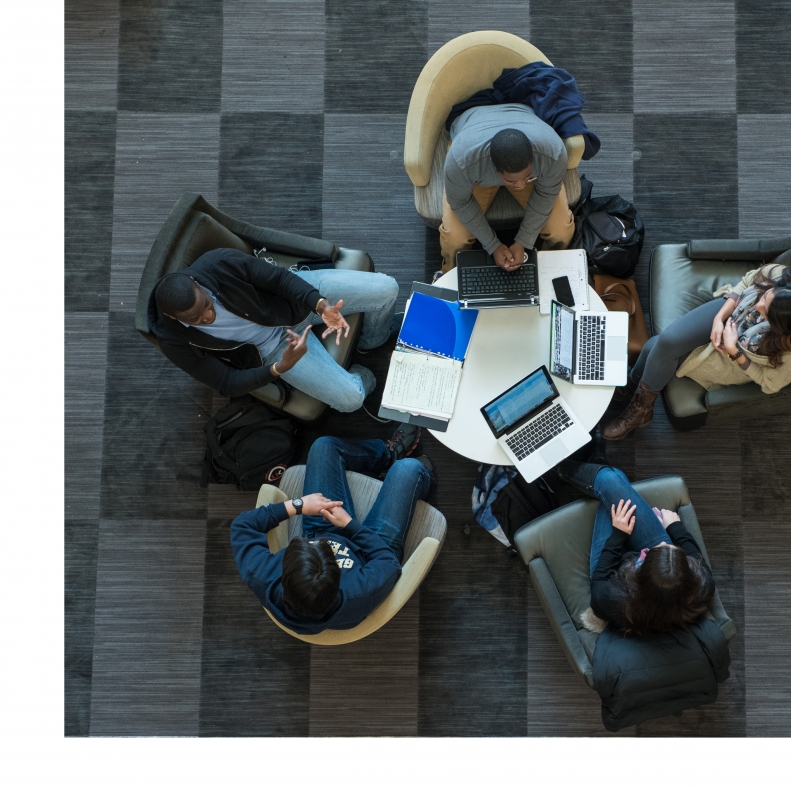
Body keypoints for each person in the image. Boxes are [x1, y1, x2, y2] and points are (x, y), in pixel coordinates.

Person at [230, 425, 433, 635]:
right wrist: (350, 525)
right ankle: (426, 481)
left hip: (321, 527)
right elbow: (388, 562)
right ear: (338, 581)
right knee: (409, 469)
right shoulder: (356, 594)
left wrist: (298, 505)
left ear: (284, 572)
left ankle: (389, 453)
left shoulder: (263, 576)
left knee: (323, 446)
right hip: (368, 553)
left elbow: (243, 525)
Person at [148, 248, 400, 412]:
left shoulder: (219, 263)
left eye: (206, 304)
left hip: (291, 304)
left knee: (388, 288)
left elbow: (279, 279)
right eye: (196, 319)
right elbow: (226, 382)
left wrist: (320, 304)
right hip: (274, 350)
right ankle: (364, 374)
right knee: (352, 400)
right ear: (173, 316)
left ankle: (373, 341)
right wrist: (279, 368)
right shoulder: (172, 340)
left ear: (196, 283)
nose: (209, 316)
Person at [602, 263, 791, 439]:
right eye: (764, 297)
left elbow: (770, 383)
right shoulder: (780, 276)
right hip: (731, 315)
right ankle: (634, 390)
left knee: (654, 347)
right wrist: (719, 319)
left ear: (782, 327)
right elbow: (747, 282)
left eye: (765, 312)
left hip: (732, 356)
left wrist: (735, 352)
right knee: (665, 343)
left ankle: (637, 402)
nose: (758, 305)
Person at [556, 456, 715, 636]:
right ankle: (594, 460)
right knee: (613, 480)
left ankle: (558, 468)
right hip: (654, 573)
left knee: (610, 479)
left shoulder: (615, 601)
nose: (664, 542)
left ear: (641, 564)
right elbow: (694, 555)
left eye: (661, 547)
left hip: (613, 569)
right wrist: (675, 527)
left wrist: (618, 534)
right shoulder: (702, 586)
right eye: (672, 548)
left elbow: (600, 579)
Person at [439, 104, 575, 273]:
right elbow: (460, 202)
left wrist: (524, 241)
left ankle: (550, 270)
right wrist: (492, 245)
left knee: (560, 230)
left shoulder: (553, 153)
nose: (521, 185)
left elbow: (546, 193)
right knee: (455, 238)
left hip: (523, 116)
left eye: (527, 176)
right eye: (511, 180)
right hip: (472, 133)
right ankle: (449, 274)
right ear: (495, 170)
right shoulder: (461, 161)